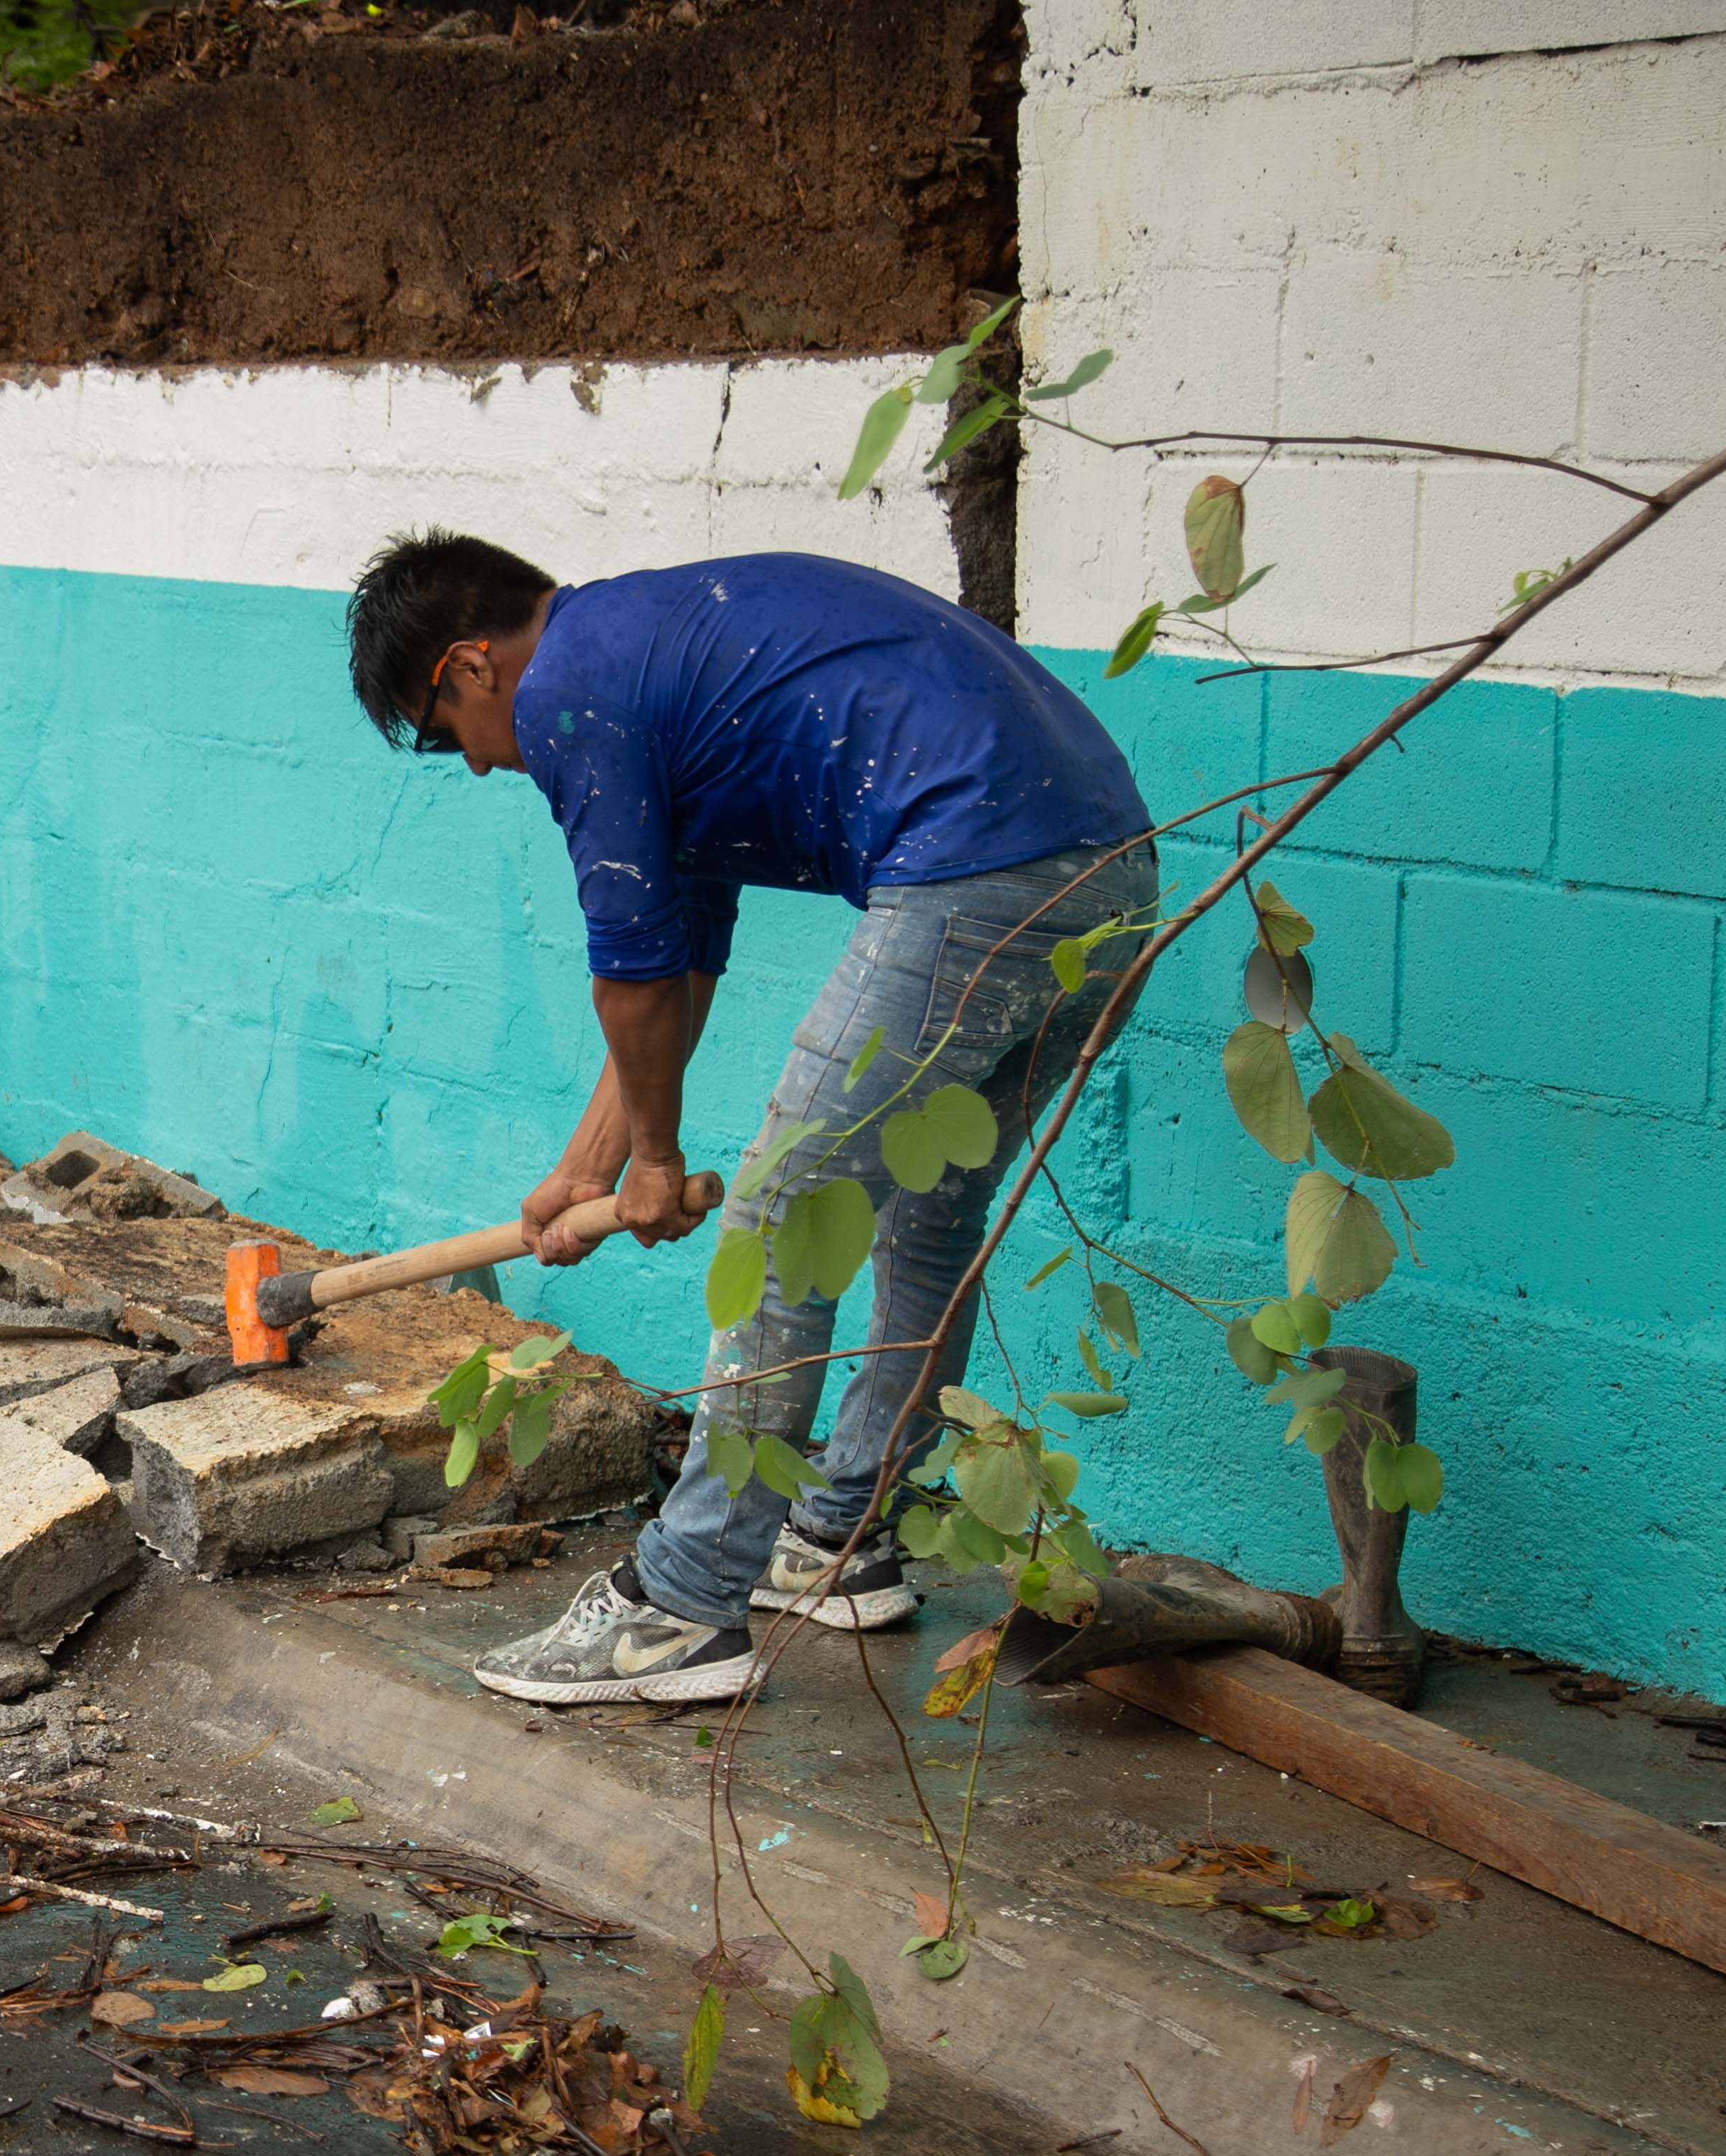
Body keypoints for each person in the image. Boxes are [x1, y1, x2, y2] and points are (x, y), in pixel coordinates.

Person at [345, 537, 1157, 1706]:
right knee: (928, 1204)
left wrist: (661, 1162)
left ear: (471, 665)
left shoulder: (575, 694)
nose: (470, 764)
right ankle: (840, 1533)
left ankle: (681, 1607)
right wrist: (588, 1175)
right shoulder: (655, 663)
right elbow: (676, 978)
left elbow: (628, 977)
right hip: (1112, 875)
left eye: (441, 734)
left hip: (976, 860)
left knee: (785, 1210)